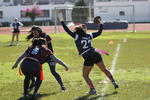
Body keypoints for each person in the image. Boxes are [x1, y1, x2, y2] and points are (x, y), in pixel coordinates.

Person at [58, 14, 118, 95]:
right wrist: (101, 23)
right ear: (85, 30)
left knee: (85, 76)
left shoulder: (76, 36)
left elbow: (66, 30)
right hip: (95, 54)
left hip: (88, 56)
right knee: (104, 69)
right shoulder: (89, 35)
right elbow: (99, 32)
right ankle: (114, 82)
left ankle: (93, 90)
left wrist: (61, 20)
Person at [26, 26, 67, 92]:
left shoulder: (46, 36)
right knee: (31, 68)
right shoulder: (34, 39)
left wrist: (53, 57)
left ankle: (62, 86)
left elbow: (49, 48)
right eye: (33, 33)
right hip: (41, 58)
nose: (34, 34)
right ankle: (33, 81)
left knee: (53, 71)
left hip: (49, 57)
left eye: (35, 32)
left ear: (39, 31)